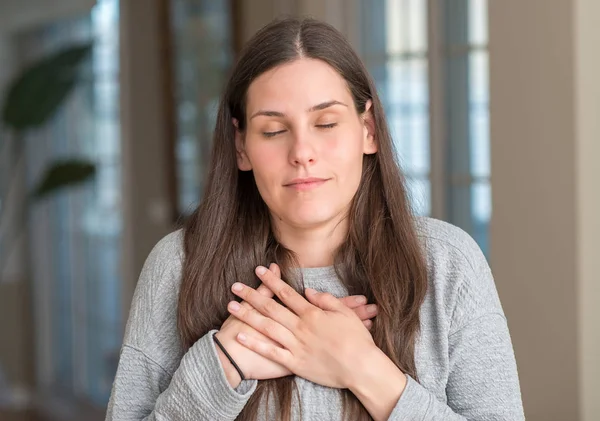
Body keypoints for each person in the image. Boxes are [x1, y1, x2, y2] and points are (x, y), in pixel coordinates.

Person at [106, 17, 524, 421]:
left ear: (369, 130)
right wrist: (222, 364)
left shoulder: (449, 265)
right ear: (241, 146)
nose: (302, 152)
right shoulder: (179, 266)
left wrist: (363, 369)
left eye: (325, 123)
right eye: (273, 130)